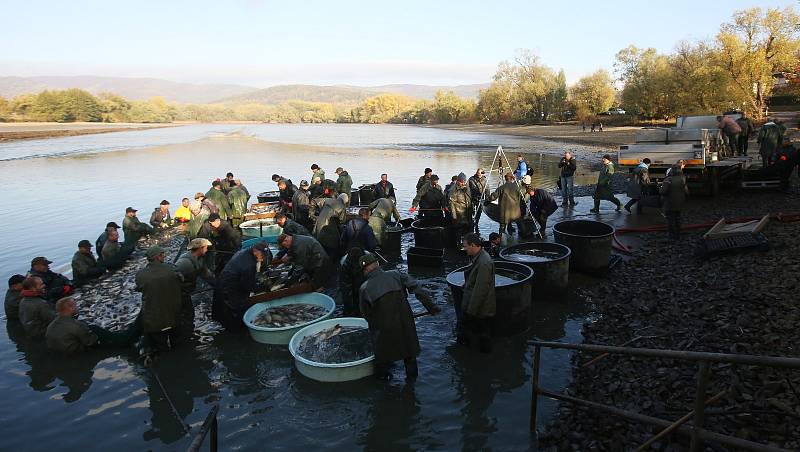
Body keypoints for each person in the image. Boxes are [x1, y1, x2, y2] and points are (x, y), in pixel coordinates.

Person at [359, 254, 440, 380]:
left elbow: (366, 315)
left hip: (384, 332)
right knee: (410, 356)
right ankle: (412, 386)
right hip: (405, 324)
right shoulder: (396, 274)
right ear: (378, 264)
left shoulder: (364, 289)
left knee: (383, 361)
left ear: (365, 270)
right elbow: (418, 289)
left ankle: (387, 386)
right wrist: (432, 307)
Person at [45, 297, 140, 353]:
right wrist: (100, 334)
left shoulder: (51, 325)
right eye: (75, 306)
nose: (77, 308)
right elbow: (91, 342)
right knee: (98, 330)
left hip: (62, 350)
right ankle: (131, 333)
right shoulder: (76, 326)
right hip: (77, 352)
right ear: (70, 308)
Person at [213, 242, 272, 333]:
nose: (263, 258)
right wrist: (262, 287)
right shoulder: (248, 265)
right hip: (229, 290)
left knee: (227, 313)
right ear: (255, 251)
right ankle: (237, 333)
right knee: (235, 314)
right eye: (262, 255)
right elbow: (248, 287)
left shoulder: (244, 252)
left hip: (224, 282)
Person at [135, 246, 183, 352]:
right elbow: (181, 280)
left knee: (160, 348)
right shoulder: (172, 269)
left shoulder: (140, 275)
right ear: (158, 257)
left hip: (154, 320)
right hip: (174, 315)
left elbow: (139, 288)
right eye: (162, 255)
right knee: (178, 345)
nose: (164, 256)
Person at [458, 233, 496, 353]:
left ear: (473, 245)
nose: (464, 249)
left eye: (465, 246)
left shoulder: (484, 262)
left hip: (481, 309)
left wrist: (470, 312)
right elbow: (475, 279)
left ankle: (483, 357)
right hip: (477, 307)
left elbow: (481, 289)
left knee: (483, 334)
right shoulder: (479, 258)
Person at [174, 238, 215, 338]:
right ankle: (184, 336)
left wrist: (219, 284)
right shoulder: (184, 263)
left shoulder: (198, 259)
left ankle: (187, 332)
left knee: (189, 313)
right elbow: (173, 278)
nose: (207, 249)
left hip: (185, 291)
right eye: (205, 247)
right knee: (184, 314)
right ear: (200, 248)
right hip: (177, 293)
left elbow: (207, 275)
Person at [310, 193, 347, 258]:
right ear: (345, 201)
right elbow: (341, 222)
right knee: (330, 248)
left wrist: (312, 214)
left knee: (319, 245)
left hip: (318, 225)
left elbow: (314, 201)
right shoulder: (342, 207)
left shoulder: (328, 200)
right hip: (329, 229)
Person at [488, 172, 525, 236]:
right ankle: (525, 238)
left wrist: (487, 199)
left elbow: (493, 197)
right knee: (520, 224)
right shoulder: (517, 187)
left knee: (502, 226)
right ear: (512, 179)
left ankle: (500, 239)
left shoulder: (501, 188)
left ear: (505, 179)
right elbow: (521, 198)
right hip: (515, 212)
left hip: (505, 212)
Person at [660, 163, 689, 241]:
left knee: (670, 220)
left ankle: (672, 236)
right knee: (678, 218)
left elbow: (663, 192)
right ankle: (678, 234)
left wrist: (660, 188)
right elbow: (687, 192)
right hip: (680, 203)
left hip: (670, 203)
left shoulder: (668, 180)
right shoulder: (682, 178)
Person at [339, 247, 370, 316]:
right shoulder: (344, 263)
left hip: (364, 277)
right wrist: (350, 308)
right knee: (349, 295)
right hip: (350, 278)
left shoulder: (369, 257)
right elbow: (345, 288)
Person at [449, 172, 473, 244]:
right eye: (462, 182)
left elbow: (469, 200)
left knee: (469, 230)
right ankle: (458, 244)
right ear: (458, 181)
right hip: (459, 214)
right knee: (459, 231)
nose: (463, 183)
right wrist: (454, 217)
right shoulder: (453, 190)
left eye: (464, 182)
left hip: (467, 213)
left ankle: (468, 245)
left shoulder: (467, 188)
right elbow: (451, 205)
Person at [468, 168, 489, 232]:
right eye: (478, 173)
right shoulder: (471, 179)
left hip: (480, 198)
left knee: (479, 211)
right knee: (471, 210)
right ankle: (471, 222)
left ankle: (476, 222)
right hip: (472, 198)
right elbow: (469, 188)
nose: (479, 175)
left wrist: (487, 198)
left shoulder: (485, 180)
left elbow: (487, 189)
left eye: (481, 173)